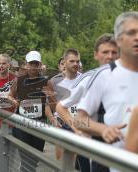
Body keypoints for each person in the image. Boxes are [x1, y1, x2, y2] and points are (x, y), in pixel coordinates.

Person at [76, 11, 138, 172]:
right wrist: (103, 129)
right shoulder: (104, 75)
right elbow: (79, 120)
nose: (137, 37)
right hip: (109, 164)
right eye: (131, 32)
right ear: (119, 40)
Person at [56, 33, 119, 172]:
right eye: (105, 52)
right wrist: (77, 129)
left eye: (114, 52)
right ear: (96, 55)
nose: (110, 56)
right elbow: (61, 107)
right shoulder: (88, 79)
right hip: (99, 151)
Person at [8, 50, 55, 172]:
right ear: (26, 64)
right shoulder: (19, 80)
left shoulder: (46, 82)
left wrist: (50, 98)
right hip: (21, 124)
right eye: (31, 63)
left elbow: (51, 105)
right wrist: (13, 101)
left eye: (36, 63)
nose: (34, 66)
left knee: (35, 159)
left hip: (39, 124)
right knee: (25, 159)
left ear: (40, 65)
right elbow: (10, 96)